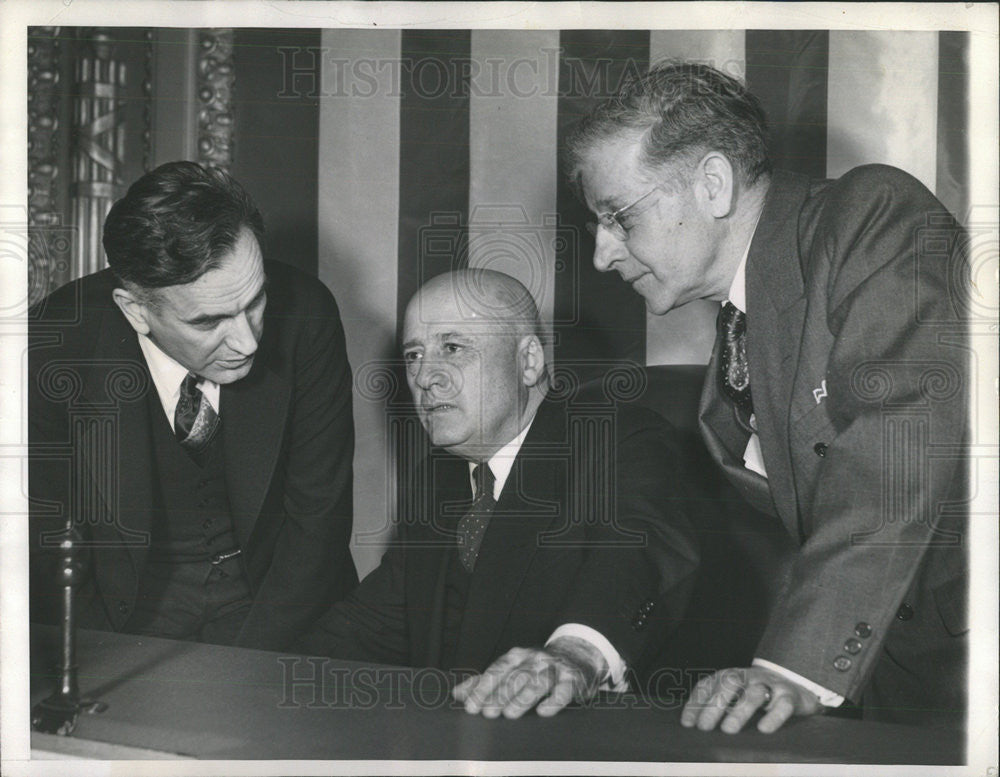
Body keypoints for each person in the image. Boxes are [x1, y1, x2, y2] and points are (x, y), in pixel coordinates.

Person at [564, 62, 968, 732]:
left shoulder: (869, 217)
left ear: (713, 185)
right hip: (893, 678)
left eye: (619, 215)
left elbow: (897, 444)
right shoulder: (738, 338)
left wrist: (791, 669)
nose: (603, 253)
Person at [296, 269, 699, 718]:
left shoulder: (617, 440)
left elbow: (635, 556)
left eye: (452, 348)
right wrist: (260, 676)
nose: (426, 377)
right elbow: (376, 622)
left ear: (528, 361)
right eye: (413, 356)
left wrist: (575, 656)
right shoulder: (438, 478)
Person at [29, 161, 357, 651]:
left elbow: (318, 518)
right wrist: (105, 660)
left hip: (280, 605)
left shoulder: (307, 315)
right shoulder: (53, 344)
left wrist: (253, 666)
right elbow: (43, 538)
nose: (246, 341)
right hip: (121, 617)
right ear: (135, 310)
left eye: (255, 300)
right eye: (209, 323)